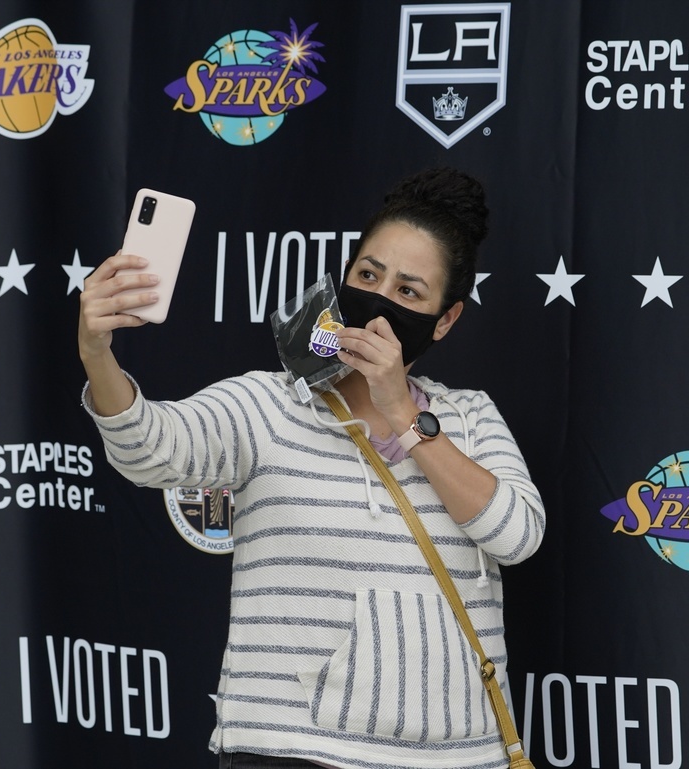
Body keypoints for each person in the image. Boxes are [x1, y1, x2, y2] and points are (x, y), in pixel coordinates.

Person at [78, 167, 546, 769]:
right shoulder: (268, 404)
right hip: (295, 751)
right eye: (367, 275)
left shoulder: (470, 416)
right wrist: (96, 352)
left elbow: (518, 535)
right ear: (342, 278)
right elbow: (149, 447)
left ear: (445, 319)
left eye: (409, 291)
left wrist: (405, 415)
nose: (379, 299)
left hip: (461, 756)